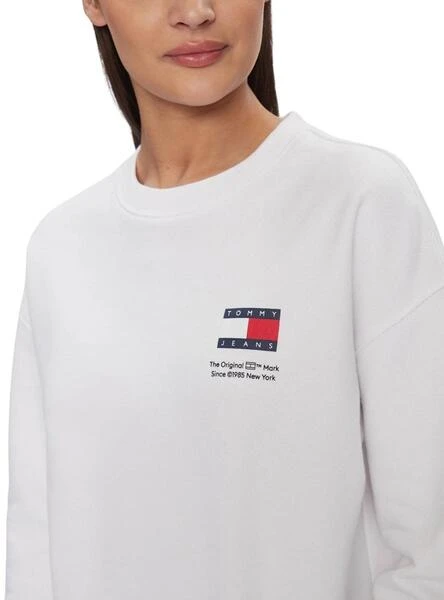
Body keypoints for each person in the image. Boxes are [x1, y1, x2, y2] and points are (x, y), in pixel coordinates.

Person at [4, 0, 444, 599]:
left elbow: (430, 554)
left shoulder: (360, 203)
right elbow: (35, 555)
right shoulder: (62, 246)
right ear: (95, 4)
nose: (195, 11)